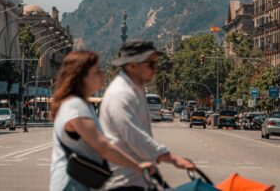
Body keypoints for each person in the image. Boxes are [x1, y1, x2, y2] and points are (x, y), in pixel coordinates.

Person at [49, 51, 154, 191]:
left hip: (82, 183)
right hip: (72, 185)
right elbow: (102, 146)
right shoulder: (75, 105)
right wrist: (137, 166)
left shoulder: (83, 104)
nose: (102, 74)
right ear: (82, 77)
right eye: (97, 71)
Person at [100, 40, 195, 191]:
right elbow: (136, 137)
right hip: (122, 183)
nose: (155, 69)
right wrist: (172, 158)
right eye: (151, 64)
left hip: (138, 180)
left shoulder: (136, 90)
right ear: (132, 65)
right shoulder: (121, 94)